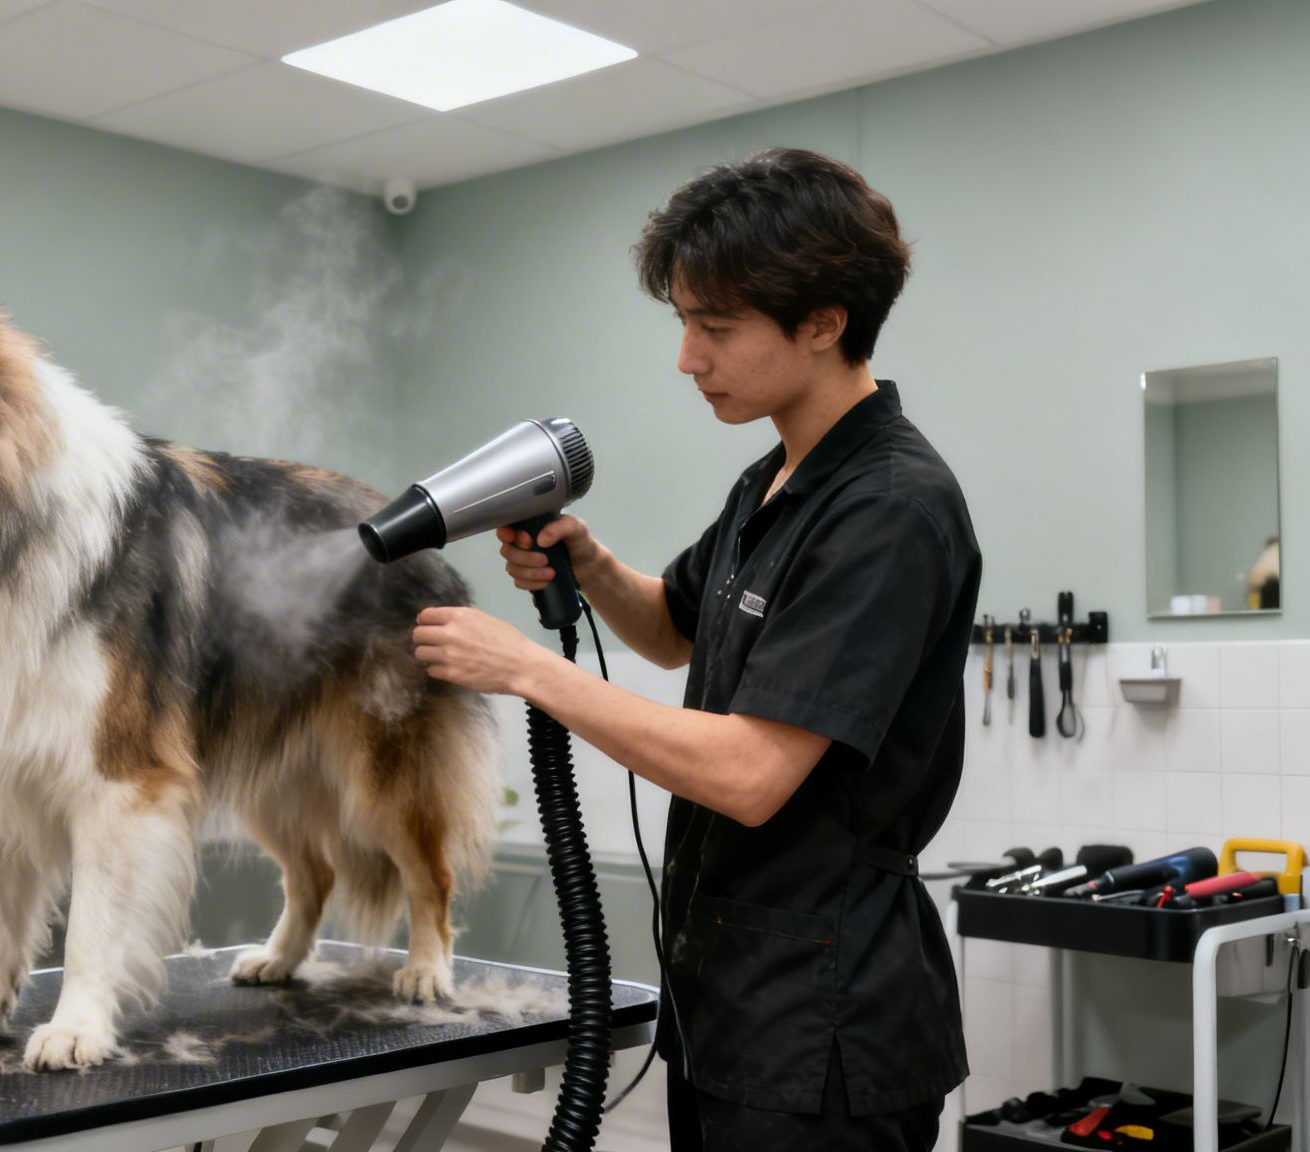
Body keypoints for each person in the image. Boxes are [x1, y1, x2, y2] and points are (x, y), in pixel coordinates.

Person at [410, 148, 980, 1151]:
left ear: (821, 322)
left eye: (712, 328)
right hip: (729, 1012)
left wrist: (525, 669)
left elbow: (753, 774)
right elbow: (671, 630)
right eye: (681, 322)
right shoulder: (771, 481)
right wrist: (586, 562)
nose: (685, 358)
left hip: (822, 1036)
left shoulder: (887, 510)